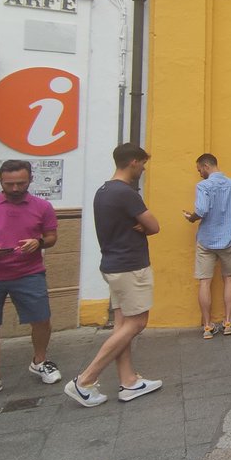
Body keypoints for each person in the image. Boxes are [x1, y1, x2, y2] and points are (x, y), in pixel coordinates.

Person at [64, 143, 162, 407]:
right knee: (136, 324)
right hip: (130, 264)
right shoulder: (126, 193)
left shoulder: (103, 190)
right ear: (133, 162)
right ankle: (85, 380)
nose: (143, 168)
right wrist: (143, 226)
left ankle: (128, 381)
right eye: (142, 163)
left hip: (112, 264)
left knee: (122, 327)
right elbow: (154, 226)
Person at [0, 159, 61, 404]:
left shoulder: (42, 206)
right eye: (10, 184)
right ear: (0, 181)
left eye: (21, 183)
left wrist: (38, 241)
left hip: (28, 273)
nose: (15, 188)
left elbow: (51, 237)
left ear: (30, 180)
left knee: (41, 319)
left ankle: (39, 361)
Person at [183, 153, 231, 338]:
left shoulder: (203, 186)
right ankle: (228, 322)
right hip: (228, 240)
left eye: (200, 169)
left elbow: (201, 210)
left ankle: (207, 326)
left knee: (204, 282)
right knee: (229, 279)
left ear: (206, 166)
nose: (200, 173)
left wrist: (191, 218)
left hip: (206, 240)